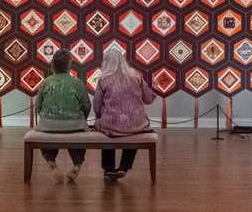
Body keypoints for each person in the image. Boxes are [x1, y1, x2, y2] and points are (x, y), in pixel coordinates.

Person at [87, 47, 157, 182]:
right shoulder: (136, 76)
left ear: (106, 62)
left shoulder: (103, 79)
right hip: (137, 123)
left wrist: (98, 119)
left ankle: (108, 169)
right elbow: (148, 99)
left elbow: (97, 104)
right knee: (134, 133)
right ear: (123, 61)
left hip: (111, 123)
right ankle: (124, 167)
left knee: (106, 132)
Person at [30, 52, 91, 183]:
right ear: (69, 65)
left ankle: (50, 160)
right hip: (74, 124)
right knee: (79, 134)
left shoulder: (45, 83)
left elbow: (38, 107)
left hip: (48, 124)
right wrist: (81, 119)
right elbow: (86, 106)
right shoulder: (77, 83)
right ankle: (77, 164)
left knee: (47, 132)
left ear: (53, 64)